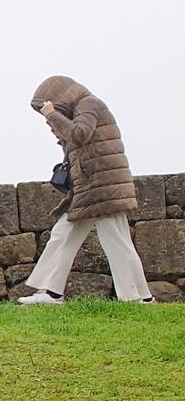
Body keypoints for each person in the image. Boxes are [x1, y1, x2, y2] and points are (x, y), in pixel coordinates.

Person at [18, 74, 154, 304]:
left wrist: (53, 115)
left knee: (116, 239)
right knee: (63, 234)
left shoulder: (89, 104)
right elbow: (78, 143)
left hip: (103, 186)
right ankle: (52, 292)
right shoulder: (83, 107)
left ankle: (139, 297)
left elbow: (80, 135)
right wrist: (58, 127)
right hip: (89, 188)